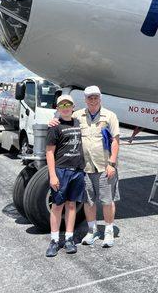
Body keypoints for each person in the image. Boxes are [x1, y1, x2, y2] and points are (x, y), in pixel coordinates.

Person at [50, 86, 120, 248]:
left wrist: (112, 163)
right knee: (89, 201)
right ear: (85, 99)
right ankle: (92, 230)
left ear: (100, 98)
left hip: (104, 166)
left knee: (107, 200)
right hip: (85, 167)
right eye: (89, 98)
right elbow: (63, 117)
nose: (93, 100)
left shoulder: (109, 116)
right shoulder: (78, 115)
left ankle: (108, 231)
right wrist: (52, 121)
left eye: (95, 97)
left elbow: (115, 141)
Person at [45, 94, 86, 257]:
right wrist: (53, 175)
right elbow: (49, 152)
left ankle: (69, 238)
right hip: (61, 171)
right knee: (57, 206)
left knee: (71, 205)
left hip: (77, 171)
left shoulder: (79, 123)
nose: (66, 107)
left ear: (73, 106)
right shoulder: (55, 126)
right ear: (58, 109)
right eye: (62, 105)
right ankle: (54, 240)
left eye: (68, 104)